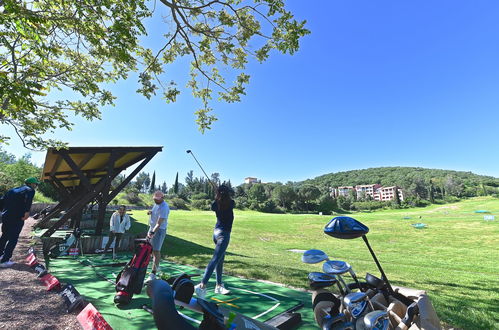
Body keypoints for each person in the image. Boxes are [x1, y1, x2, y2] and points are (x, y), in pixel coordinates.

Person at [194, 185, 235, 298]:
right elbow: (230, 199)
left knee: (220, 260)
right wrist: (220, 192)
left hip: (216, 233)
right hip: (224, 235)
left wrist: (217, 194)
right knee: (216, 259)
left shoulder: (215, 204)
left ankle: (218, 286)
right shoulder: (231, 203)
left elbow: (214, 205)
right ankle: (202, 285)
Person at [0, 177, 40, 267]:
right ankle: (4, 260)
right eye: (36, 184)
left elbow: (1, 201)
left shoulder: (12, 190)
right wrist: (27, 212)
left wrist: (3, 212)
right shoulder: (30, 190)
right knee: (13, 238)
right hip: (17, 217)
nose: (36, 186)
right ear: (32, 184)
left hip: (6, 216)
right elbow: (28, 202)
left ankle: (0, 255)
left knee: (4, 236)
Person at [147, 191, 169, 275]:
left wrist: (152, 232)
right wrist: (151, 212)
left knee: (156, 250)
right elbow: (155, 212)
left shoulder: (164, 207)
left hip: (159, 230)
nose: (155, 201)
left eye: (157, 199)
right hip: (152, 228)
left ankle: (154, 272)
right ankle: (156, 264)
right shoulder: (156, 204)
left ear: (162, 198)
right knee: (151, 249)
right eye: (154, 199)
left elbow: (159, 224)